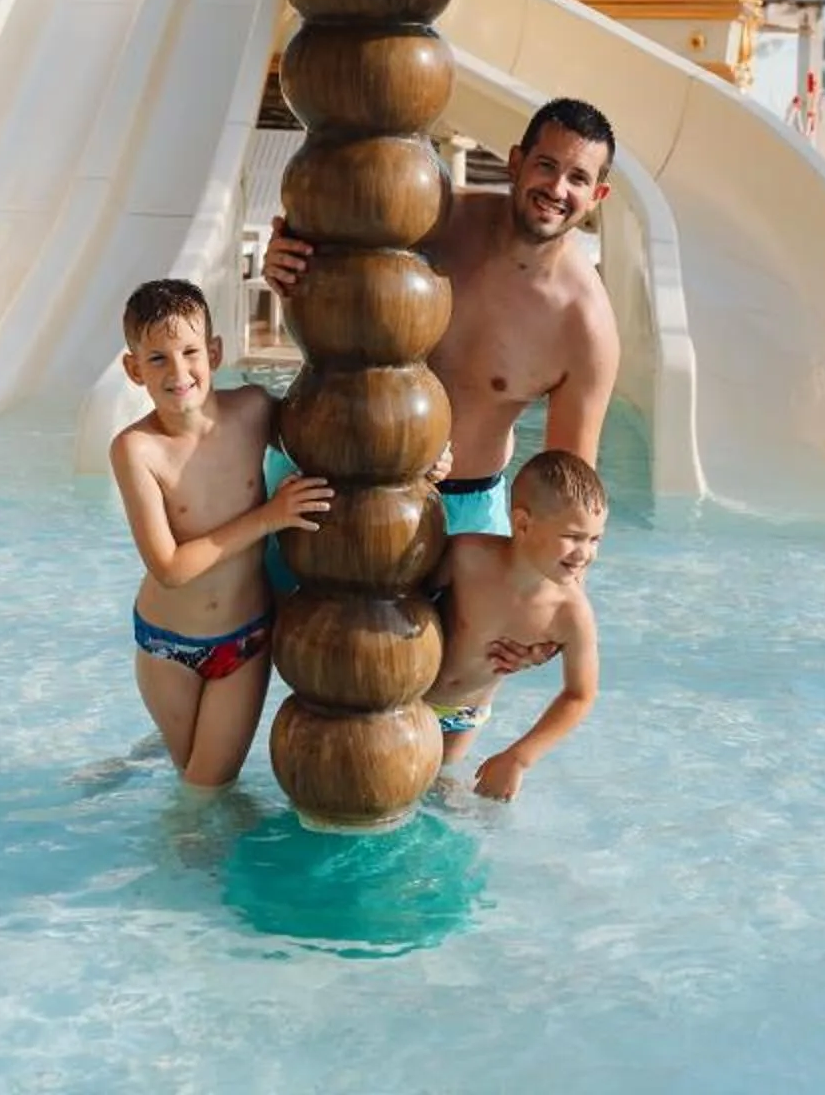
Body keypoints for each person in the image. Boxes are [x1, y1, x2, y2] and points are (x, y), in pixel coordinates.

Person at [264, 96, 621, 537]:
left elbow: (569, 495)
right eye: (546, 165)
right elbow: (329, 272)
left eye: (578, 178)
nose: (557, 189)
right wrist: (284, 261)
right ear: (515, 162)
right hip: (328, 472)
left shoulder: (585, 326)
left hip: (459, 506)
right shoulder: (435, 219)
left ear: (597, 196)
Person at [106, 278, 332, 787]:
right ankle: (150, 755)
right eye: (158, 358)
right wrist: (269, 517)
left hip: (245, 641)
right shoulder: (136, 450)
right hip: (167, 647)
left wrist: (430, 461)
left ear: (214, 352)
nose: (179, 371)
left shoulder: (252, 410)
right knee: (190, 778)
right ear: (133, 369)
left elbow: (329, 428)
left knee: (209, 787)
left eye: (190, 352)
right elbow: (168, 568)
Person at [422, 450, 607, 801]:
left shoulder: (570, 614)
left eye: (595, 539)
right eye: (573, 536)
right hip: (410, 696)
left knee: (436, 793)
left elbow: (580, 695)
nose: (585, 553)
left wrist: (519, 758)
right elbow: (410, 597)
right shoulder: (467, 557)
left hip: (462, 715)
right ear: (522, 524)